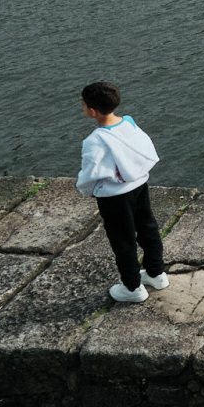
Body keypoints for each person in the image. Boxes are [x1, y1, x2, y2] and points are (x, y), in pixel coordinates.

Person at [75, 81, 167, 303]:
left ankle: (132, 288)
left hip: (114, 197)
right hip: (139, 185)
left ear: (92, 111)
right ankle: (156, 274)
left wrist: (86, 190)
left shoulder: (94, 141)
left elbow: (90, 175)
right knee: (148, 228)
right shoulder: (129, 123)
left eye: (83, 104)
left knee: (123, 240)